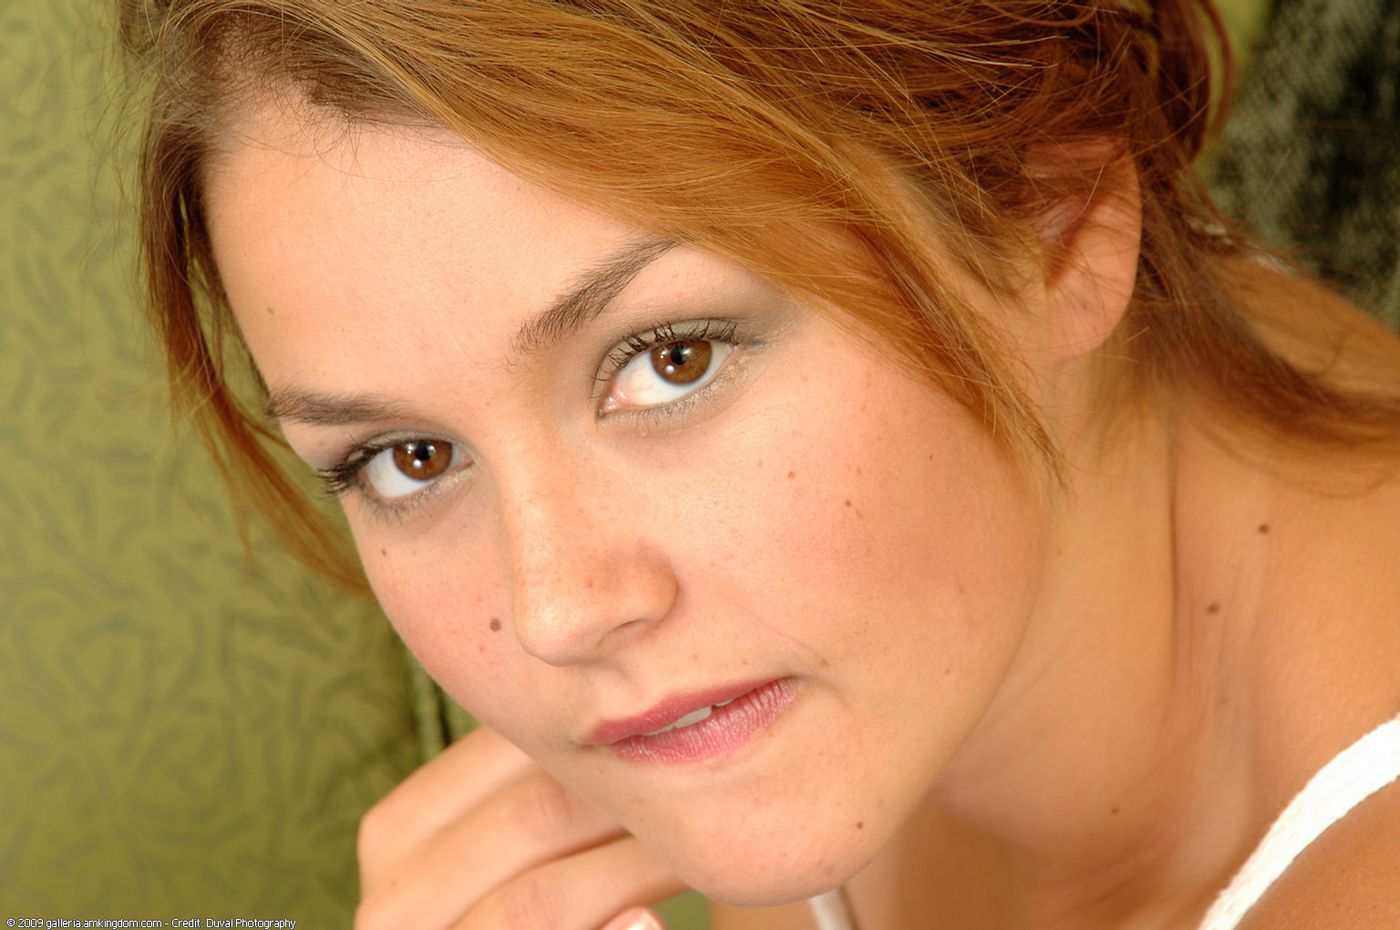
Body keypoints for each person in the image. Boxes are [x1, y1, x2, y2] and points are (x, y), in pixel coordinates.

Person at [119, 1, 1400, 928]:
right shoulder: (870, 672)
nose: (558, 610)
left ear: (1056, 222)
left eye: (669, 360)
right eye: (407, 459)